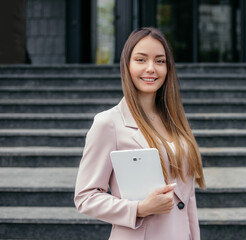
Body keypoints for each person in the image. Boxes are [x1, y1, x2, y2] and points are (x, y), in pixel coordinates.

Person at [74, 27, 206, 240]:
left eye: (160, 61)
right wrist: (139, 208)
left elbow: (187, 200)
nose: (151, 68)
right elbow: (85, 197)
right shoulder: (108, 123)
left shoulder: (176, 122)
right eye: (141, 60)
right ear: (127, 65)